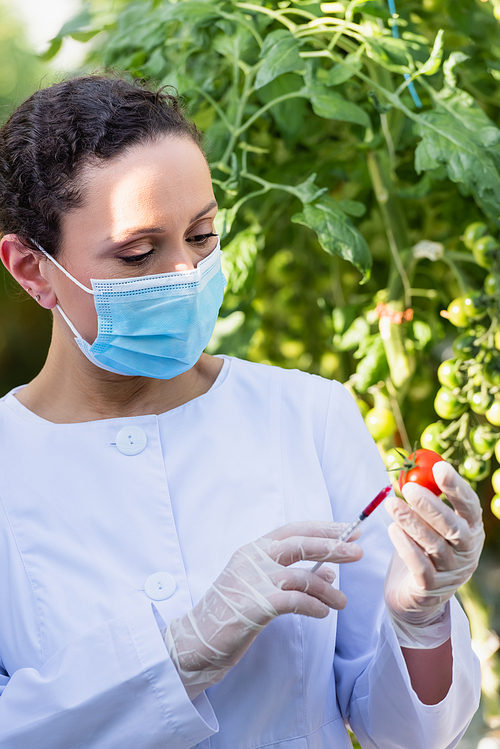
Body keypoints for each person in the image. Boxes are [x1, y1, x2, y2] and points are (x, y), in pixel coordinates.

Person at [0, 75, 483, 749]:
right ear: (31, 267)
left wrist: (420, 615)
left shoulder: (308, 413)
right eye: (140, 253)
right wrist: (183, 650)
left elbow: (408, 732)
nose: (187, 272)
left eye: (202, 235)